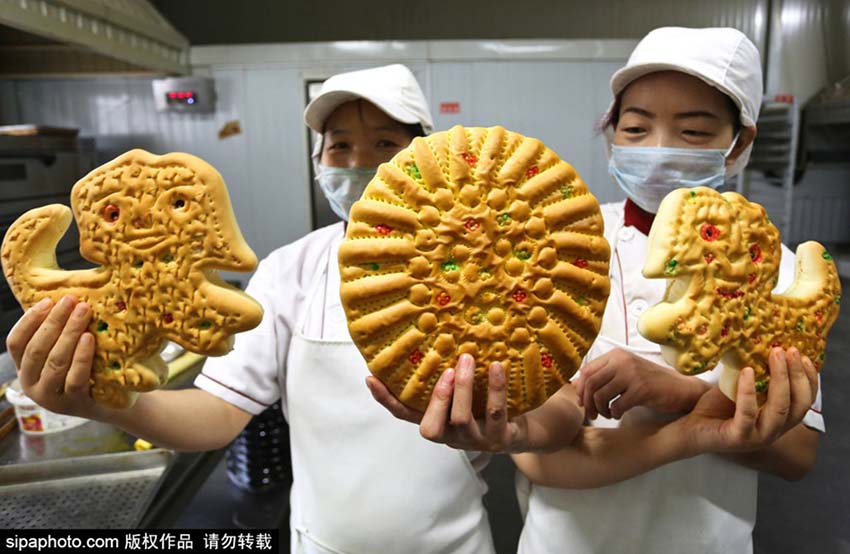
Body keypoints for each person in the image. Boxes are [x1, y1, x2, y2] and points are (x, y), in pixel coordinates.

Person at [5, 64, 496, 554]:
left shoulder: (483, 269)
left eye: (385, 143)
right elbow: (218, 413)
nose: (358, 163)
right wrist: (103, 403)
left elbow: (525, 417)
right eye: (339, 146)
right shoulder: (292, 270)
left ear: (424, 157)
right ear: (319, 161)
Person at [369, 28, 823, 554]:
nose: (658, 149)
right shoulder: (563, 244)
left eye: (694, 132)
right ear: (611, 133)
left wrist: (684, 395)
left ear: (739, 143)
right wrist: (514, 430)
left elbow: (797, 455)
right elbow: (552, 419)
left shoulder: (774, 269)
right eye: (636, 128)